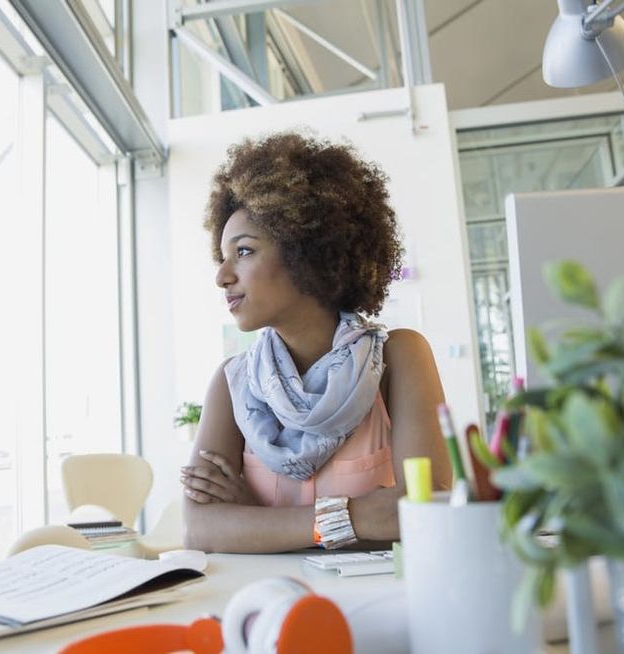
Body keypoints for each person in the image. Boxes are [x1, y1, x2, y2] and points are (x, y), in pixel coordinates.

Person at [181, 131, 451, 554]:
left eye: (245, 252)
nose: (222, 276)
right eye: (223, 257)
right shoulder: (231, 382)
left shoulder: (400, 359)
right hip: (268, 605)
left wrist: (255, 517)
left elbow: (426, 512)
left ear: (306, 252)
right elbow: (200, 529)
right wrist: (362, 515)